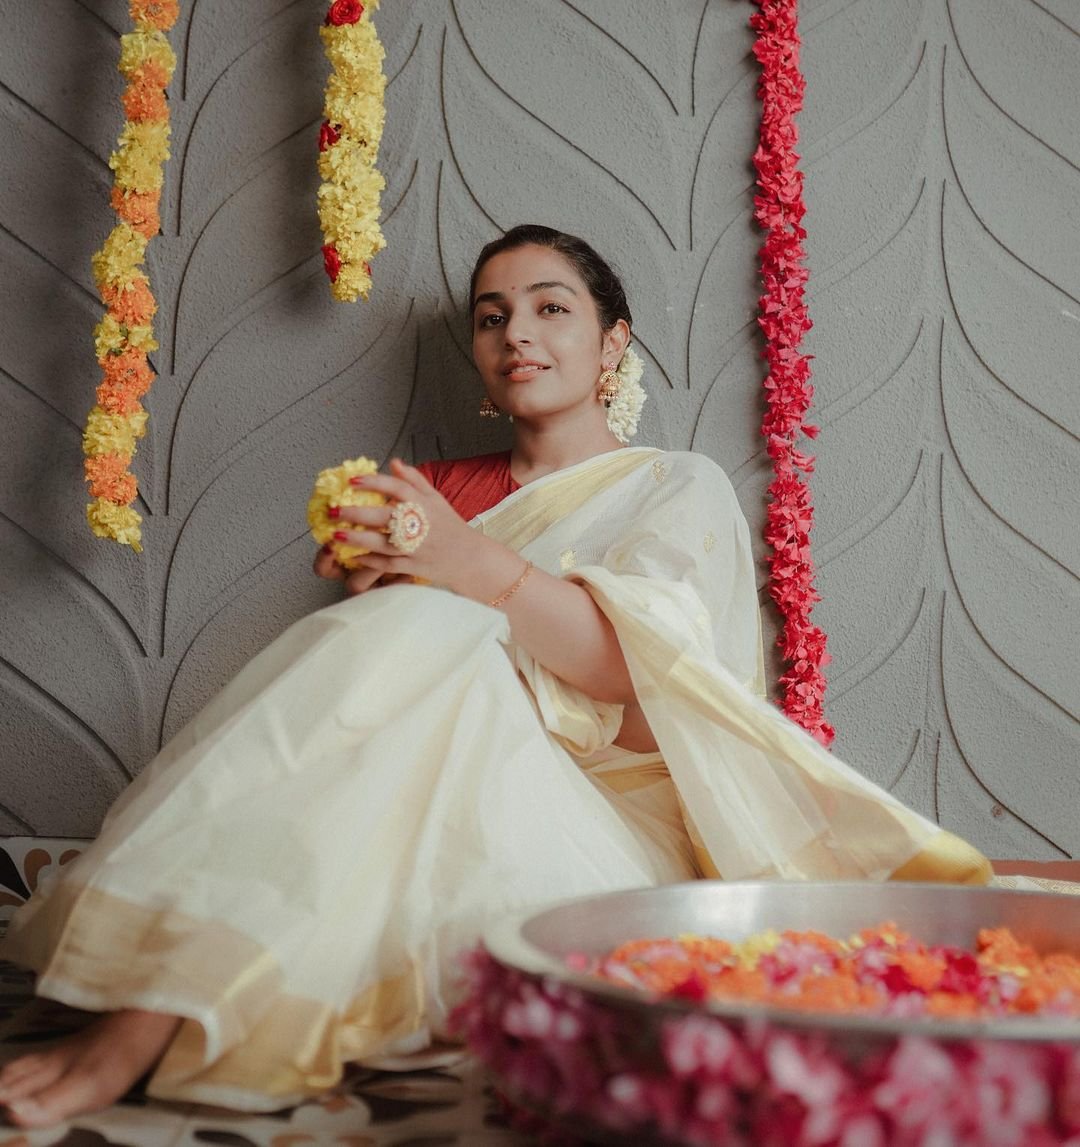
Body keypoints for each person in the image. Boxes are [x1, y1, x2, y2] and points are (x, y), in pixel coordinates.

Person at [0, 225, 990, 1129]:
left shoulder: (674, 484)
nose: (517, 331)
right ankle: (168, 996)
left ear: (612, 344)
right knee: (402, 640)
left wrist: (459, 564)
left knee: (431, 626)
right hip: (434, 793)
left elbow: (639, 699)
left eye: (551, 307)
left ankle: (145, 1017)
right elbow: (373, 720)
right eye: (492, 316)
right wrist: (386, 583)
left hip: (600, 825)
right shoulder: (439, 494)